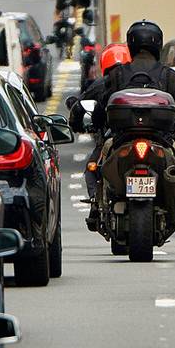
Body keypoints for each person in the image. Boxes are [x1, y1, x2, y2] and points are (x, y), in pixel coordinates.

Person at [71, 20, 175, 227]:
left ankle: (97, 205)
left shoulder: (117, 74)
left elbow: (102, 109)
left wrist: (95, 123)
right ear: (158, 44)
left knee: (100, 159)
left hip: (121, 139)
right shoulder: (168, 75)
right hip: (161, 140)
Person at [74, 43, 132, 218]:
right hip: (149, 137)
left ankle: (95, 206)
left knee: (92, 170)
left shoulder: (102, 85)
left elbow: (81, 108)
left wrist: (77, 124)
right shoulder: (144, 79)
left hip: (115, 139)